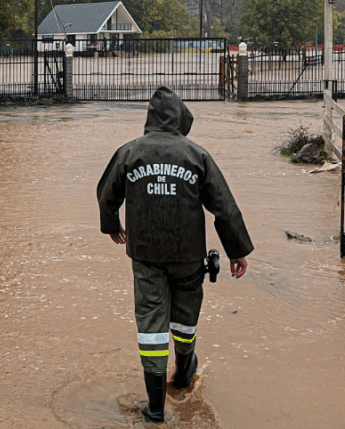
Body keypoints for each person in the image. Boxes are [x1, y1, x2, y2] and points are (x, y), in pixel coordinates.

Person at [96, 85, 254, 424]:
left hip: (145, 255)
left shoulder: (129, 153)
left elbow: (106, 194)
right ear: (180, 118)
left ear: (151, 119)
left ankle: (155, 408)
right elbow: (223, 207)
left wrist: (112, 225)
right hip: (188, 256)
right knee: (184, 318)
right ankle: (183, 376)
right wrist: (237, 250)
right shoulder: (197, 155)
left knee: (151, 326)